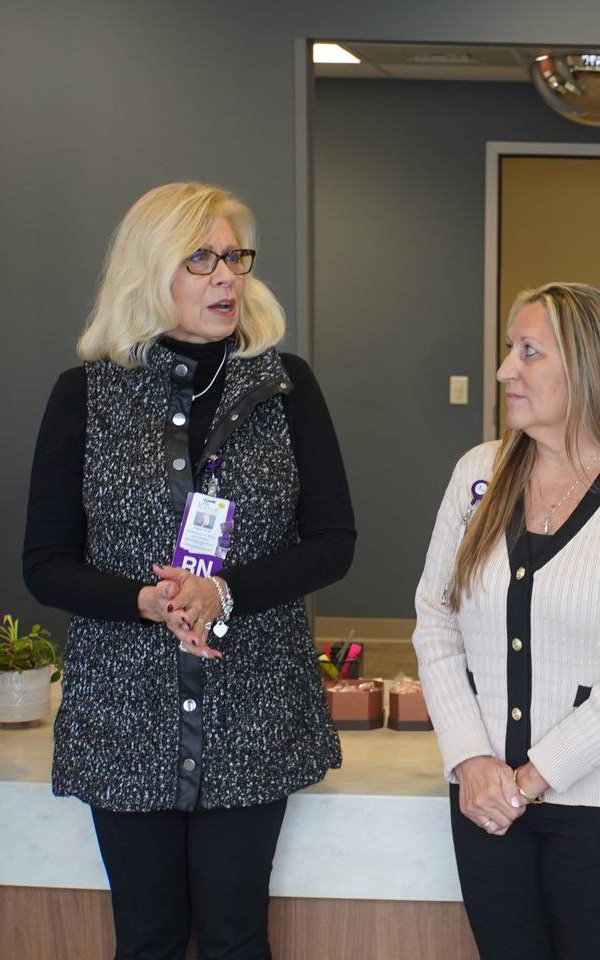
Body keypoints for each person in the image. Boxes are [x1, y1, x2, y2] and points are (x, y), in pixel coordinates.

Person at [23, 181, 356, 960]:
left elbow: (333, 542)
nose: (228, 277)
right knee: (146, 941)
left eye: (234, 257)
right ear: (149, 271)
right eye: (201, 258)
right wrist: (145, 600)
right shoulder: (85, 396)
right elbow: (45, 563)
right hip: (123, 717)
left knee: (238, 939)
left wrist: (223, 591)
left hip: (254, 710)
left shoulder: (286, 387)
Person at [412, 282, 600, 960]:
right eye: (508, 351)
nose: (503, 371)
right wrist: (471, 759)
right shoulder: (477, 475)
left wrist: (532, 775)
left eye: (528, 353)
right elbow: (436, 620)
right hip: (487, 805)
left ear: (588, 369)